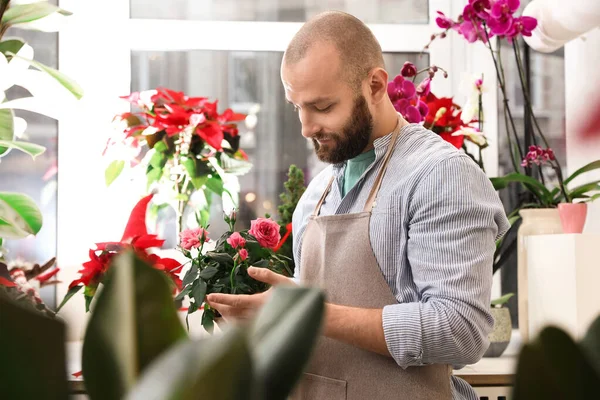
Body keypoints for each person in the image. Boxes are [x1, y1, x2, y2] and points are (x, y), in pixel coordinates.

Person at [206, 10, 510, 400]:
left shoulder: (439, 175)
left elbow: (461, 332)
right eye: (296, 106)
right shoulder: (315, 196)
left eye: (323, 106)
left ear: (376, 85)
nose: (306, 126)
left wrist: (309, 312)